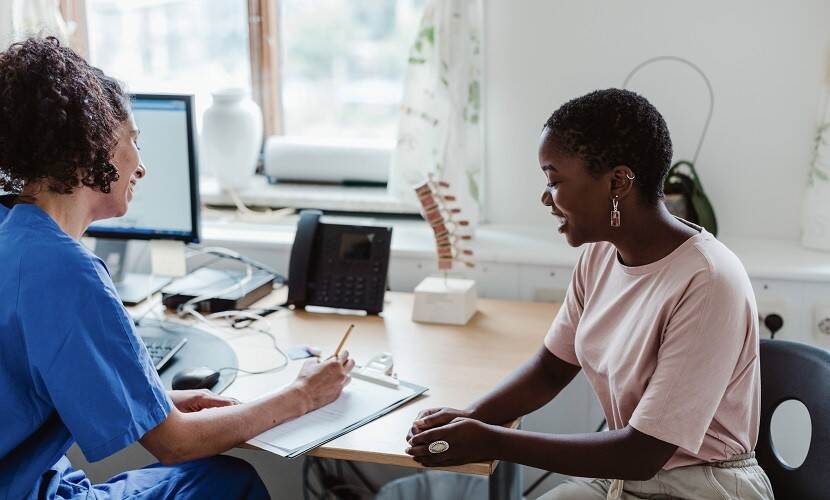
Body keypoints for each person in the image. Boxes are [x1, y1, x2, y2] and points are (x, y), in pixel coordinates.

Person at [0, 37, 354, 500]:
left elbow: (33, 387)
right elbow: (175, 444)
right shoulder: (67, 272)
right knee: (227, 480)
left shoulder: (13, 231)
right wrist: (303, 395)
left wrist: (156, 402)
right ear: (94, 145)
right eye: (133, 142)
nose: (141, 167)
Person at [405, 89, 774, 499]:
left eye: (555, 180)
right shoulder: (600, 254)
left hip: (701, 485)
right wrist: (471, 416)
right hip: (628, 478)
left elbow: (642, 452)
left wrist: (492, 440)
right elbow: (550, 370)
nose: (546, 198)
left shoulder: (708, 281)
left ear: (618, 181)